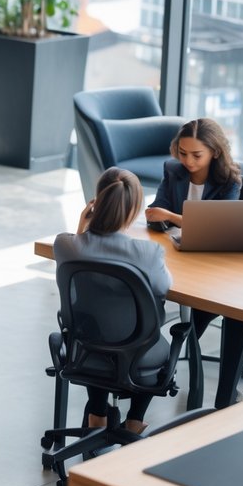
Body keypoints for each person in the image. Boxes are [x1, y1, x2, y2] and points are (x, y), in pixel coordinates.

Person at [54, 168, 172, 434]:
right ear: (133, 210)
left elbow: (75, 249)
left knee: (97, 326)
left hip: (84, 351)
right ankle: (134, 421)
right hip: (139, 356)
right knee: (145, 331)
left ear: (96, 202)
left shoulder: (65, 245)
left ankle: (97, 415)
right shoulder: (148, 253)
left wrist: (83, 227)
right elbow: (164, 287)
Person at [146, 118, 243, 408]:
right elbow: (157, 210)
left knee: (212, 311)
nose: (188, 161)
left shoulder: (229, 181)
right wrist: (157, 217)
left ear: (214, 152)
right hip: (177, 256)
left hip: (214, 265)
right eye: (183, 153)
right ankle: (158, 364)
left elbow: (218, 226)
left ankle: (219, 394)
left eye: (196, 155)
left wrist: (174, 217)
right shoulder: (173, 170)